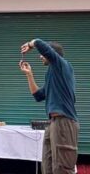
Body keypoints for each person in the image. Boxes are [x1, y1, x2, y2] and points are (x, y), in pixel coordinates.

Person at [20, 39, 78, 174]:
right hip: (53, 123)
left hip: (65, 122)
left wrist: (30, 44)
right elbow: (38, 95)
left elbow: (39, 43)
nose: (40, 56)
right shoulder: (52, 73)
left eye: (43, 54)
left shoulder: (62, 65)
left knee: (62, 168)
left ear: (52, 54)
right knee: (47, 165)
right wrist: (29, 75)